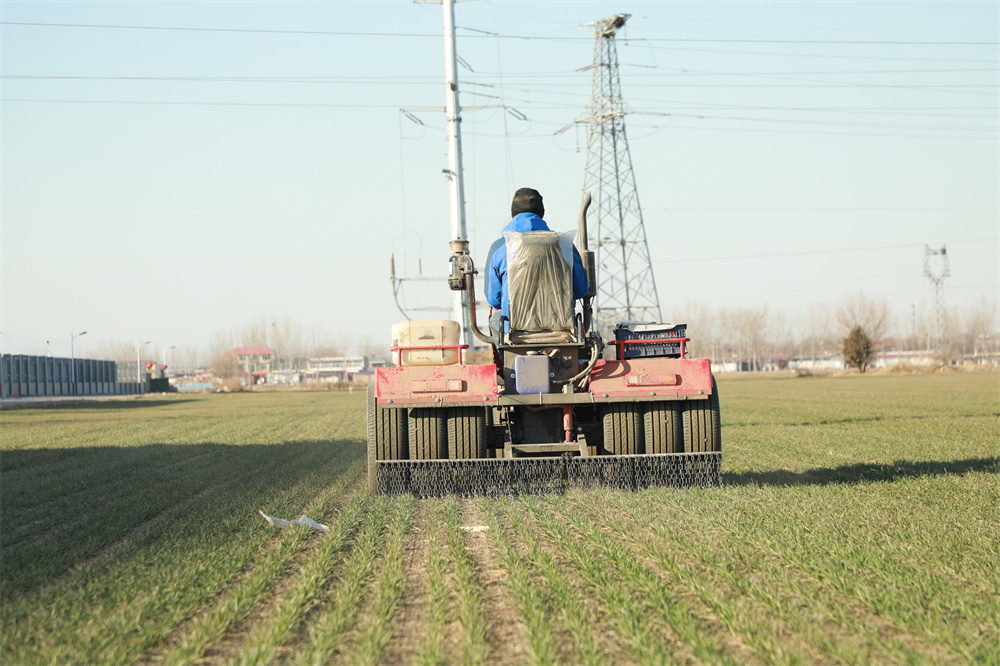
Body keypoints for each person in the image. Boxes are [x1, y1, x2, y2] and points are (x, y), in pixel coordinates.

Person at [485, 187, 588, 346]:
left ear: (513, 214)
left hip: (515, 334)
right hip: (563, 333)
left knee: (496, 318)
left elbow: (494, 299)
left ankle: (506, 358)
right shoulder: (565, 245)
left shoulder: (499, 247)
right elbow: (581, 290)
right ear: (541, 213)